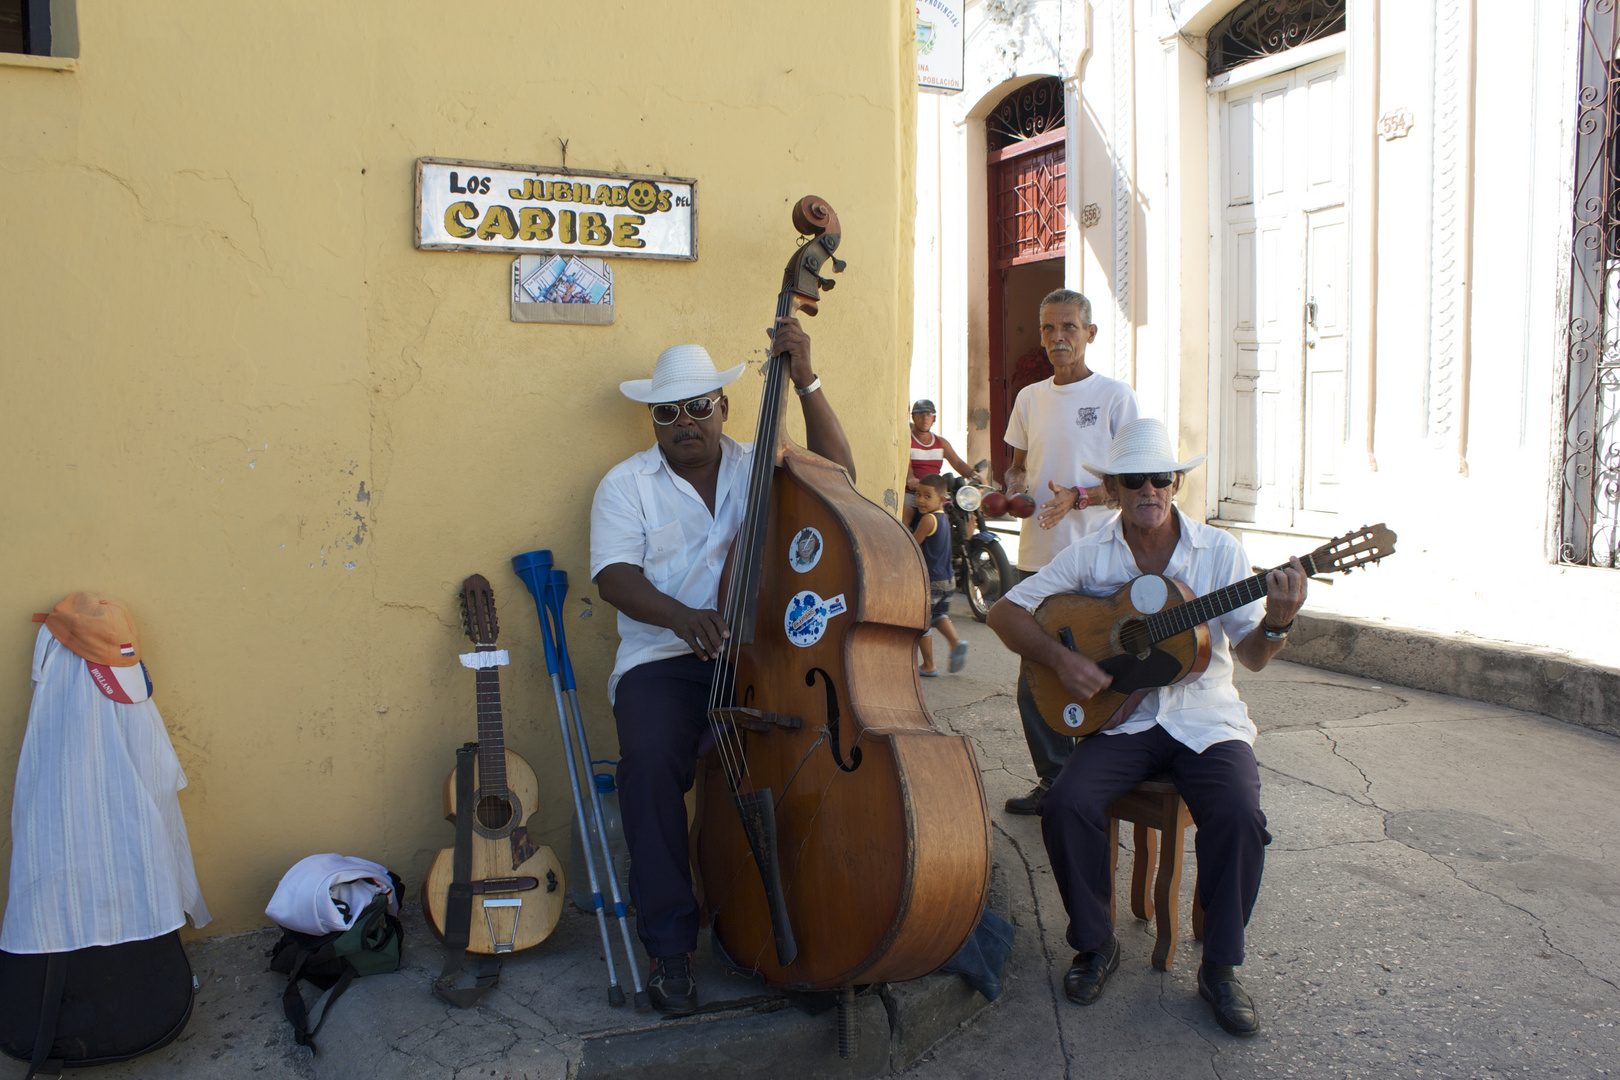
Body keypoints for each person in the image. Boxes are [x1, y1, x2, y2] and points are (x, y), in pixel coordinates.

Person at [985, 417, 1307, 1038]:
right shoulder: (1089, 554)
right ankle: (1094, 943)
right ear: (1113, 489)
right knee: (1067, 802)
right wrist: (1061, 659)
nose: (1150, 490)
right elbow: (1004, 612)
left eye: (1162, 478)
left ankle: (1219, 967)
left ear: (1177, 484)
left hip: (1206, 719)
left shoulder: (1220, 554)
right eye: (1135, 480)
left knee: (1240, 813)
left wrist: (1277, 622)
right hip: (1123, 722)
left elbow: (1252, 655)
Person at [589, 321, 856, 1015]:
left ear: (723, 408)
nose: (684, 423)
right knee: (647, 767)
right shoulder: (625, 485)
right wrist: (682, 617)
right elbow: (614, 577)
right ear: (653, 418)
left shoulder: (760, 461)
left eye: (698, 406)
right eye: (667, 412)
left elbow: (842, 475)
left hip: (765, 657)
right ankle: (672, 948)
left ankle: (809, 934)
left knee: (808, 766)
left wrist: (807, 379)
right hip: (664, 660)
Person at [1002, 290, 1139, 815]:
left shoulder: (1114, 397)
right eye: (1048, 329)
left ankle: (1102, 782)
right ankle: (1055, 783)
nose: (1057, 338)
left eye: (1068, 328)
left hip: (1099, 558)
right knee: (1035, 684)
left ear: (1089, 334)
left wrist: (1080, 496)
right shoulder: (1030, 399)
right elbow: (1019, 465)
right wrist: (1012, 487)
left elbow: (1134, 484)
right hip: (1038, 556)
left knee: (1106, 677)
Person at [912, 473, 967, 677]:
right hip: (948, 581)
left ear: (942, 499)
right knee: (938, 615)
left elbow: (912, 545)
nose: (920, 500)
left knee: (922, 623)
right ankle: (956, 642)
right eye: (918, 494)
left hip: (932, 581)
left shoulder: (927, 520)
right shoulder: (943, 518)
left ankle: (928, 665)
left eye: (927, 496)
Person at [906, 399, 977, 526]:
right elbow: (908, 471)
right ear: (914, 417)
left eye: (929, 414)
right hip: (914, 494)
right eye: (921, 414)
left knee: (968, 517)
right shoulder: (908, 442)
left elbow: (957, 463)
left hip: (936, 493)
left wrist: (975, 476)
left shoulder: (941, 443)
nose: (925, 418)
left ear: (934, 418)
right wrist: (912, 481)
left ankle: (965, 545)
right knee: (904, 520)